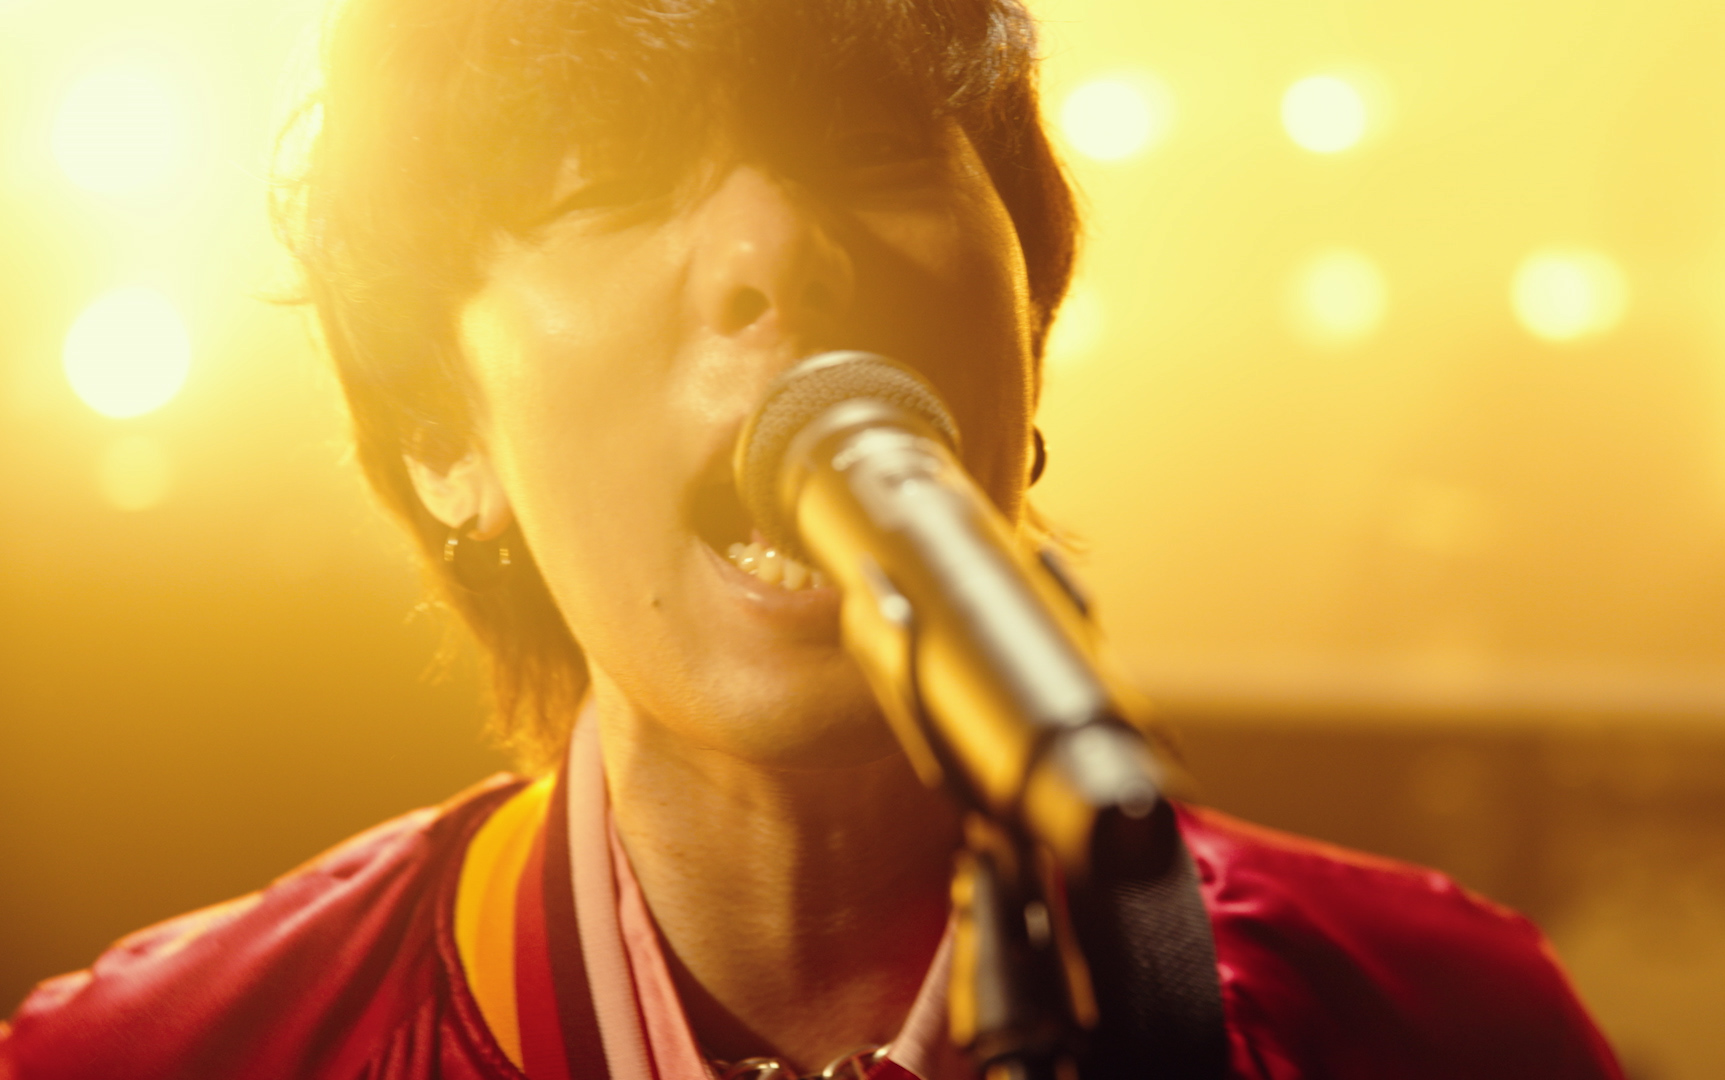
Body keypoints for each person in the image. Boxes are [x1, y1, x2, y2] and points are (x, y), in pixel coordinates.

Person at [0, 0, 1623, 1077]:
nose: (777, 251)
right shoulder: (166, 1060)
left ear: (1024, 333)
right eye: (615, 183)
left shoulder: (1441, 1027)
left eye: (869, 146)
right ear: (443, 434)